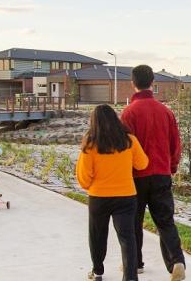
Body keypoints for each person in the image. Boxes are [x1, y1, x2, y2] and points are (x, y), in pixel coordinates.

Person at [119, 65, 185, 280]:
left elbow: (124, 147)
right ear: (153, 82)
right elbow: (176, 144)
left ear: (132, 83)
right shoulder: (166, 112)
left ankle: (135, 263)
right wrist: (171, 167)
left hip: (137, 177)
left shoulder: (129, 113)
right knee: (165, 221)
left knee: (133, 221)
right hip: (161, 173)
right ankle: (176, 261)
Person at [77, 104, 148, 281]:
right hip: (126, 196)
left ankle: (98, 271)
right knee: (127, 237)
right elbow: (142, 164)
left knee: (97, 236)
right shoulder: (129, 140)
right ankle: (130, 277)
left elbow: (84, 178)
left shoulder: (90, 143)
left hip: (99, 197)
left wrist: (93, 186)